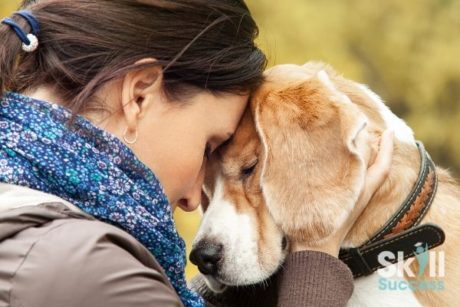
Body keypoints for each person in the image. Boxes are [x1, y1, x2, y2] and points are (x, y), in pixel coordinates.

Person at [0, 1, 394, 306]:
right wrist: (315, 259)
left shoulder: (27, 217)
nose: (192, 201)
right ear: (138, 95)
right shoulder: (84, 268)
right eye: (208, 146)